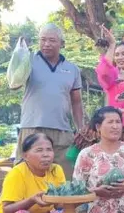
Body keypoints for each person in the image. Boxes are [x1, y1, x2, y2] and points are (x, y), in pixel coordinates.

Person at [74, 25, 124, 159]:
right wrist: (112, 45)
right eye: (117, 55)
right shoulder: (113, 78)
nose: (119, 57)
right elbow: (104, 71)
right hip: (111, 128)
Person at [18, 23, 84, 177]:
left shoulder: (72, 69)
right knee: (25, 176)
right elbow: (14, 83)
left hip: (62, 130)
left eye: (52, 40)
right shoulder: (28, 61)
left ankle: (62, 202)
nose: (46, 44)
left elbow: (76, 102)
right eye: (43, 40)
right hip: (32, 127)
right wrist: (20, 54)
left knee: (66, 176)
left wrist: (80, 128)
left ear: (62, 43)